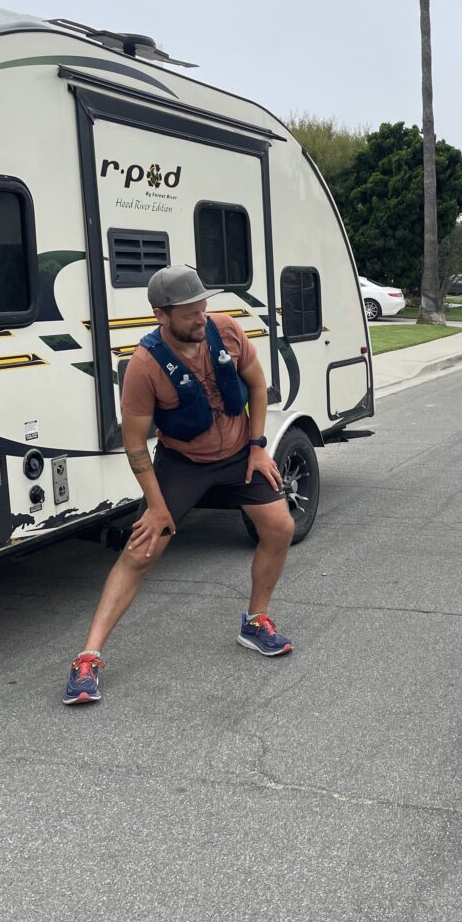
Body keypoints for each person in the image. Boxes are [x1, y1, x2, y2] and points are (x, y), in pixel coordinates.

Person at [63, 266, 295, 705]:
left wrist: (259, 445)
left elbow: (258, 387)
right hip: (184, 463)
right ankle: (88, 657)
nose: (201, 319)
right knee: (141, 550)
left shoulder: (225, 330)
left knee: (279, 527)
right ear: (160, 315)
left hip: (239, 453)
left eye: (203, 308)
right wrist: (156, 506)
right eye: (190, 313)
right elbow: (134, 444)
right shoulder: (145, 365)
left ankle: (256, 620)